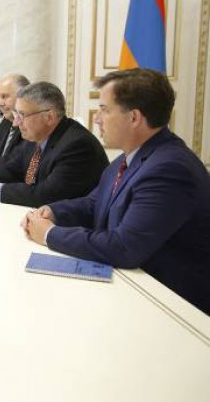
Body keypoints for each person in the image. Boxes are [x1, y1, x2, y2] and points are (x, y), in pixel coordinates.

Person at [22, 69, 210, 314]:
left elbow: (124, 248)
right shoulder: (130, 157)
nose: (97, 119)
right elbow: (95, 204)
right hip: (133, 287)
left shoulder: (169, 169)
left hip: (173, 307)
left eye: (104, 110)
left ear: (134, 117)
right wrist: (52, 212)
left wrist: (50, 234)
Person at [0, 82, 108, 207]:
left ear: (49, 117)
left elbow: (44, 195)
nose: (16, 122)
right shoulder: (36, 135)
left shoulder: (77, 145)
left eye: (22, 115)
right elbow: (14, 166)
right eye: (16, 114)